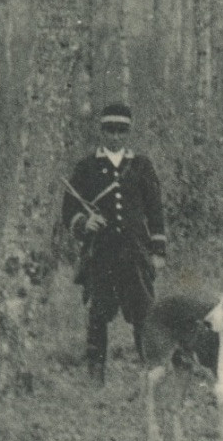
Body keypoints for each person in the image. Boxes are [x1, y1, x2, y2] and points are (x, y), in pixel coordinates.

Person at [60, 104, 167, 384]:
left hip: (136, 254)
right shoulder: (86, 167)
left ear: (128, 132)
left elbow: (155, 211)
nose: (116, 137)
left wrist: (158, 251)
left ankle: (150, 375)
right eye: (110, 130)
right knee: (98, 316)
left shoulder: (142, 166)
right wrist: (84, 223)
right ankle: (96, 379)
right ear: (101, 131)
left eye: (122, 131)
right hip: (101, 255)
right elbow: (68, 209)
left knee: (144, 316)